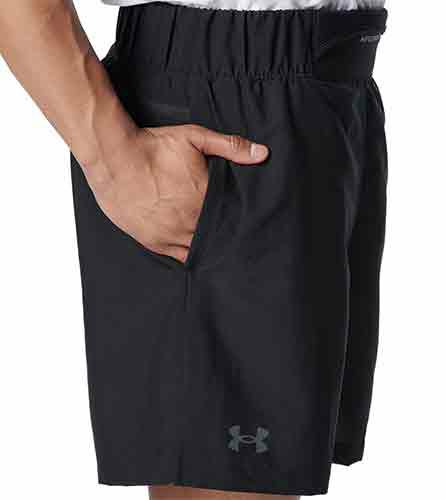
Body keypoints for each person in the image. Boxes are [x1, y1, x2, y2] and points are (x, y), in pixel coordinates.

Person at [0, 0, 388, 499]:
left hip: (335, 92)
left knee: (274, 470)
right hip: (221, 108)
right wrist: (115, 161)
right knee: (234, 477)